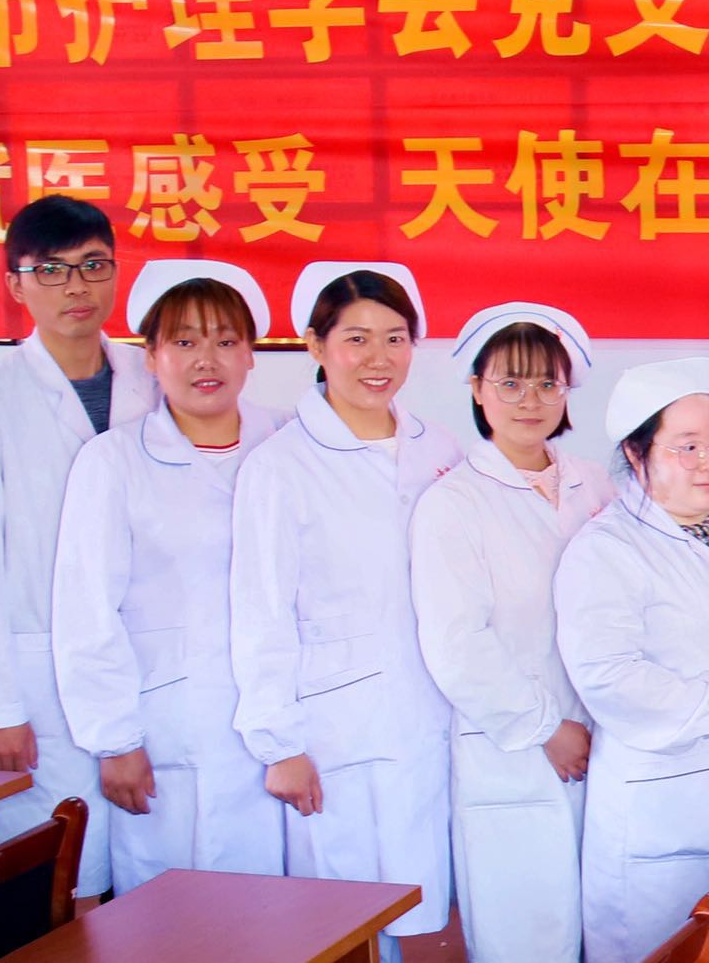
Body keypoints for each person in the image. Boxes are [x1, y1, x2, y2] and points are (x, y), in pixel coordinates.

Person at [230, 262, 461, 961]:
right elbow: (261, 609)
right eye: (355, 339)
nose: (377, 359)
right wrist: (279, 744)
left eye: (395, 339)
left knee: (422, 906)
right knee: (343, 919)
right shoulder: (281, 465)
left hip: (431, 715)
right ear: (315, 345)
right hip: (333, 732)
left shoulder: (439, 448)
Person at [0, 195, 155, 902]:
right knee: (63, 876)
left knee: (154, 870)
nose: (76, 287)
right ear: (16, 284)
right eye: (51, 270)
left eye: (94, 265)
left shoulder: (152, 380)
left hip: (145, 657)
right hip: (38, 673)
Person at [51, 260, 285, 895]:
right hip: (168, 725)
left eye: (226, 341)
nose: (206, 360)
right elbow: (85, 611)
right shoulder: (112, 462)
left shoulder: (288, 442)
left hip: (281, 724)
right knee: (172, 911)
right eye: (183, 341)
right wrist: (114, 740)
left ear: (251, 354)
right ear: (151, 356)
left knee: (280, 910)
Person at [556, 358, 709, 963]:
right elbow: (607, 675)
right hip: (665, 819)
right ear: (637, 454)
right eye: (686, 447)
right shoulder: (606, 550)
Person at [410, 302, 614, 963]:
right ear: (477, 389)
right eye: (510, 382)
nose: (531, 400)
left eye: (547, 383)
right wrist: (545, 728)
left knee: (610, 930)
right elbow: (456, 644)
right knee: (525, 937)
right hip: (513, 751)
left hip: (605, 738)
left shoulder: (594, 484)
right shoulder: (453, 502)